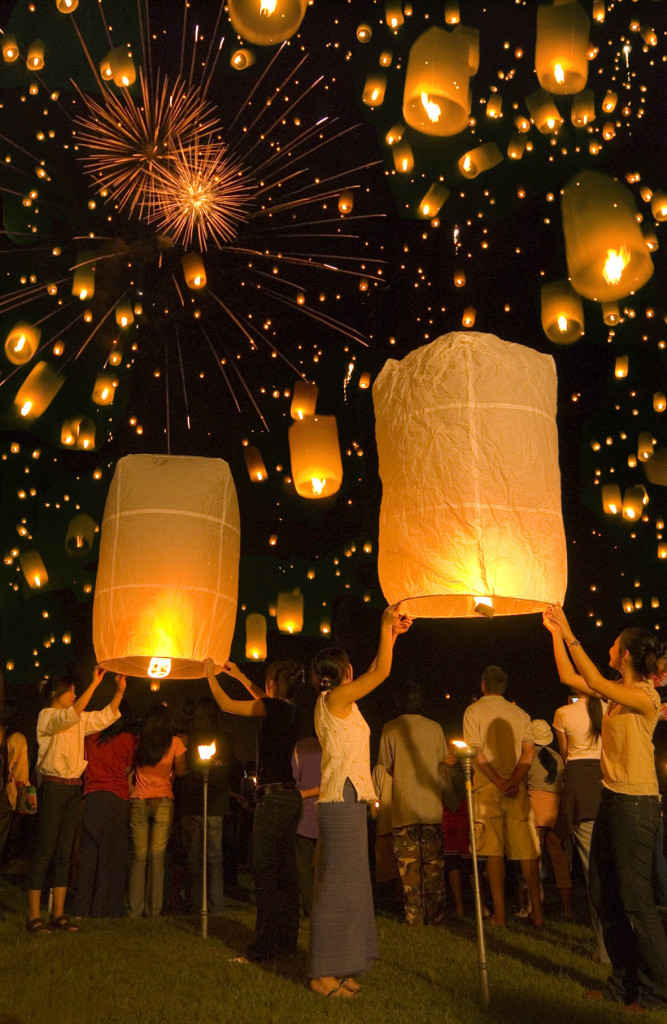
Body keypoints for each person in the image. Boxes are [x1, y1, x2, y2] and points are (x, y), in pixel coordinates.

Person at [544, 605, 667, 1010]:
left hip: (637, 804)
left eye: (615, 645)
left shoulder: (643, 695)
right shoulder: (615, 694)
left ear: (627, 654)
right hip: (612, 800)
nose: (610, 647)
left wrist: (569, 628)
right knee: (603, 895)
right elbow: (570, 677)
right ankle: (621, 985)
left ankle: (656, 993)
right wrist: (553, 633)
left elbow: (592, 677)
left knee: (636, 902)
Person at [308, 604, 412, 998]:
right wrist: (385, 625)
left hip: (350, 800)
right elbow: (380, 673)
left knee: (351, 887)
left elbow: (372, 669)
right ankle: (322, 974)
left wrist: (392, 637)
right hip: (340, 802)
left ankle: (343, 966)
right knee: (336, 886)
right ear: (343, 673)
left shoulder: (341, 700)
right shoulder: (335, 700)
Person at [204, 657, 302, 962]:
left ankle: (263, 947)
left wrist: (210, 676)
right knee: (285, 875)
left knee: (264, 873)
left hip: (272, 801)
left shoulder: (271, 708)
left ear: (273, 682)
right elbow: (264, 698)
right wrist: (242, 676)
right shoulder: (290, 711)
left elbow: (227, 704)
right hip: (290, 798)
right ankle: (286, 942)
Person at [26, 667, 125, 934]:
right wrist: (94, 684)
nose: (74, 694)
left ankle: (58, 914)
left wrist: (119, 692)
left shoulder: (76, 719)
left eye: (74, 690)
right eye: (70, 690)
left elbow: (104, 717)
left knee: (65, 851)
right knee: (45, 849)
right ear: (56, 692)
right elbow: (69, 716)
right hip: (54, 787)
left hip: (72, 788)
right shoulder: (47, 716)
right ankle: (34, 915)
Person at [462, 665, 543, 928]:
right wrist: (514, 781)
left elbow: (474, 752)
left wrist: (498, 781)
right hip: (515, 789)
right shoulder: (520, 713)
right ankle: (538, 913)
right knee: (527, 851)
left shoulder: (473, 711)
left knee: (493, 851)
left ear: (483, 684)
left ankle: (499, 914)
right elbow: (528, 753)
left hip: (487, 788)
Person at [376, 681, 446, 926]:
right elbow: (440, 760)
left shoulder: (390, 728)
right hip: (430, 807)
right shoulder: (435, 728)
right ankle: (435, 916)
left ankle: (413, 917)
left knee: (409, 870)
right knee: (433, 868)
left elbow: (385, 764)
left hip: (403, 808)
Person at [552, 691, 608, 961]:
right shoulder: (610, 707)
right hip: (607, 785)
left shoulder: (564, 713)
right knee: (613, 871)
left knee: (592, 872)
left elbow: (565, 754)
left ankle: (606, 948)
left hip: (580, 789)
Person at [73, 699, 137, 918]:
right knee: (111, 856)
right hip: (116, 798)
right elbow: (128, 767)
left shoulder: (90, 737)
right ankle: (104, 908)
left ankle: (81, 907)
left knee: (88, 853)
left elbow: (83, 761)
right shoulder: (127, 739)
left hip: (91, 796)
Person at [128, 703, 186, 918]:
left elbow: (130, 768)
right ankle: (154, 910)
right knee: (157, 857)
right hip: (163, 801)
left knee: (138, 856)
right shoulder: (175, 742)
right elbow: (180, 770)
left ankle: (134, 909)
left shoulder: (138, 742)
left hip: (140, 800)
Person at [179, 698, 232, 917]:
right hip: (215, 805)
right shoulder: (223, 739)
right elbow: (228, 769)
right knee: (214, 858)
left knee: (194, 858)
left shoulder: (188, 740)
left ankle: (196, 903)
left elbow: (182, 772)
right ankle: (215, 905)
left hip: (193, 804)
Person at [524, 719, 571, 918]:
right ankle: (567, 910)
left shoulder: (528, 756)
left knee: (534, 859)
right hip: (556, 810)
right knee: (560, 860)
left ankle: (534, 907)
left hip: (534, 808)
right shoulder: (558, 758)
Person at [291, 733, 322, 918]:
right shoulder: (332, 746)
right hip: (327, 813)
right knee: (323, 866)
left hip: (304, 814)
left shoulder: (298, 747)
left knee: (303, 867)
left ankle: (310, 907)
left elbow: (293, 781)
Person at [0, 710, 31, 863]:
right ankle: (8, 861)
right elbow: (20, 773)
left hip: (8, 789)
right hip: (11, 791)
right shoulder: (18, 739)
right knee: (11, 829)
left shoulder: (12, 739)